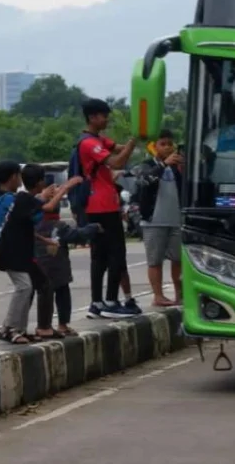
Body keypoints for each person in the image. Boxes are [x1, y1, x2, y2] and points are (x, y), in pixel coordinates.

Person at [0, 164, 72, 344]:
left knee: (38, 284)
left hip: (20, 251)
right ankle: (10, 329)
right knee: (24, 287)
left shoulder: (16, 199)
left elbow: (27, 226)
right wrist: (65, 188)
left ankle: (19, 328)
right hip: (12, 252)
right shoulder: (20, 199)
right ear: (13, 177)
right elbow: (49, 206)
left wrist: (46, 241)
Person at [76, 98, 140, 319]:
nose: (107, 120)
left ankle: (96, 303)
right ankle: (111, 301)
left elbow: (118, 148)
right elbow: (117, 163)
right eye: (104, 116)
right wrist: (132, 143)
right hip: (102, 204)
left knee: (100, 256)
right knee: (116, 254)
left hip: (100, 204)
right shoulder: (88, 143)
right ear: (93, 117)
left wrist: (136, 139)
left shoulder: (98, 140)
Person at [34, 179, 95, 339]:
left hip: (39, 269)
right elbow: (76, 235)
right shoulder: (59, 226)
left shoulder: (35, 226)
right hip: (59, 270)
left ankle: (43, 325)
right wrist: (93, 228)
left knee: (43, 297)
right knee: (62, 295)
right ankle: (62, 324)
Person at [134, 129, 185, 307]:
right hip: (154, 220)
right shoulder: (147, 165)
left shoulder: (178, 167)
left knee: (178, 259)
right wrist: (163, 165)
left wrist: (182, 169)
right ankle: (158, 296)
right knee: (155, 260)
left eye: (170, 144)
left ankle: (180, 295)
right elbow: (145, 181)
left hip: (176, 220)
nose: (167, 148)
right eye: (163, 144)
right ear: (154, 147)